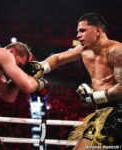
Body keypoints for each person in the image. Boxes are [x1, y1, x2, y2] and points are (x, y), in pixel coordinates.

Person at [37, 13, 122, 149]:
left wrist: (95, 97)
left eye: (82, 30)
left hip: (118, 111)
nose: (78, 35)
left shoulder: (116, 51)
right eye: (78, 31)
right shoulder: (83, 50)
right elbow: (58, 58)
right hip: (101, 112)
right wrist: (41, 67)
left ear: (98, 30)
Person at [0, 42, 47, 150]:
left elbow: (8, 97)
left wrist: (19, 75)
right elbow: (28, 86)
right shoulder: (2, 53)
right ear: (12, 51)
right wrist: (42, 84)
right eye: (20, 65)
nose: (19, 69)